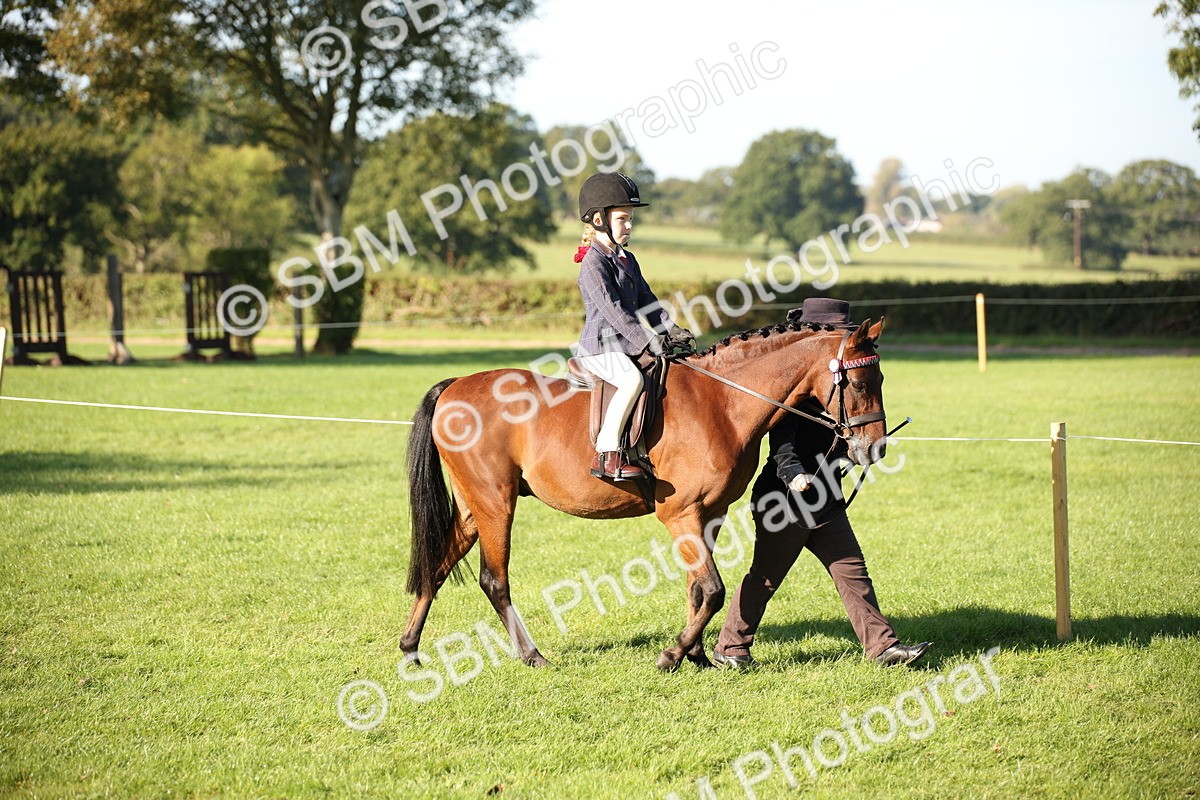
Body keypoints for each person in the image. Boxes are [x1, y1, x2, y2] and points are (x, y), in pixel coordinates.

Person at [712, 297, 931, 669]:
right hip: (786, 500)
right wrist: (793, 474)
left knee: (852, 571)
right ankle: (730, 648)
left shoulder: (835, 388)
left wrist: (857, 449)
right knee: (765, 578)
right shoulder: (792, 390)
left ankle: (884, 649)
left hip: (826, 496)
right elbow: (781, 442)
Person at [573, 172, 694, 481]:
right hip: (600, 347)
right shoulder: (593, 264)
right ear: (599, 219)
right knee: (631, 381)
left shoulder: (628, 259)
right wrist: (647, 341)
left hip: (626, 343)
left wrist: (670, 330)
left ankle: (643, 449)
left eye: (631, 220)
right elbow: (613, 311)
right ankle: (608, 454)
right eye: (623, 219)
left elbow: (647, 301)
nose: (629, 226)